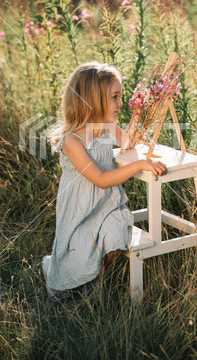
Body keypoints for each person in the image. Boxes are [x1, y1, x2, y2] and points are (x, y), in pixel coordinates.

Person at [42, 62, 167, 301]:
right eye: (115, 97)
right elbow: (100, 179)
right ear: (93, 100)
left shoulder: (107, 126)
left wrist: (141, 111)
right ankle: (73, 278)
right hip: (81, 212)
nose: (120, 103)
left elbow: (129, 142)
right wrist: (139, 165)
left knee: (116, 232)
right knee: (67, 281)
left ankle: (99, 279)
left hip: (107, 206)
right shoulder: (72, 141)